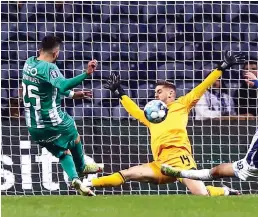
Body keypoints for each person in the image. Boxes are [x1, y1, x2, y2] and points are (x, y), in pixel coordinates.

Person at [88, 51, 246, 196]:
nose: (155, 94)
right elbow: (134, 111)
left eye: (159, 91)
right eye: (155, 92)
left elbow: (202, 86)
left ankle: (224, 191)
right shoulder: (151, 115)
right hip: (160, 164)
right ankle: (88, 183)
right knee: (128, 173)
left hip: (180, 160)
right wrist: (120, 92)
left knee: (201, 194)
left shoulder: (182, 104)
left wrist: (222, 67)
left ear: (170, 93)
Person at [22, 35, 103, 196]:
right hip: (53, 121)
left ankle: (75, 179)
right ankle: (81, 167)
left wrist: (73, 95)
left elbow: (49, 88)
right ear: (56, 53)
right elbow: (62, 84)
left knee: (62, 152)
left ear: (40, 50)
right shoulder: (50, 68)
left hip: (34, 127)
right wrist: (86, 74)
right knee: (72, 130)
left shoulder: (29, 63)